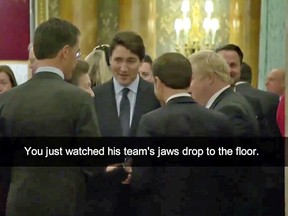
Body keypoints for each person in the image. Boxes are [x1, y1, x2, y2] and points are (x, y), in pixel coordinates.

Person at [0, 17, 101, 216]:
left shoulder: (6, 100)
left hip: (18, 203)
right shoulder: (79, 99)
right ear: (65, 52)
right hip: (66, 204)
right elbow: (93, 163)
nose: (77, 58)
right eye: (77, 52)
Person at [91, 31, 160, 216]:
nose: (123, 68)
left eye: (130, 61)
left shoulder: (155, 95)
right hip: (104, 196)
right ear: (109, 60)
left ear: (140, 61)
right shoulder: (94, 97)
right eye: (118, 60)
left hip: (146, 197)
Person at [188, 50, 259, 136]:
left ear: (210, 78)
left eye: (191, 79)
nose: (187, 87)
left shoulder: (229, 110)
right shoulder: (227, 102)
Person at [216, 44, 281, 137]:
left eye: (233, 65)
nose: (229, 70)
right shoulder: (202, 100)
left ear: (240, 68)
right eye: (224, 65)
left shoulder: (253, 104)